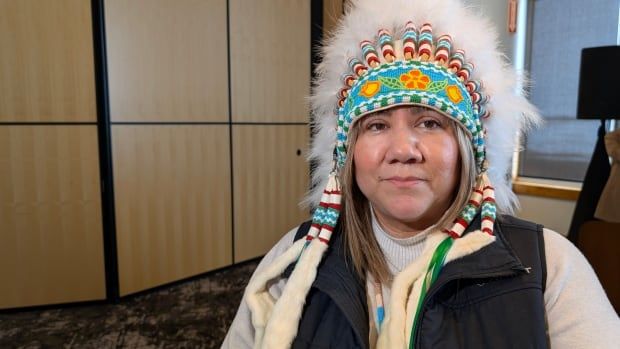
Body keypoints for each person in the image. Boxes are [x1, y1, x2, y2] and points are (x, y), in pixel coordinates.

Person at [222, 0, 620, 347]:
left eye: (430, 122)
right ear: (348, 152)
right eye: (376, 125)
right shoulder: (292, 260)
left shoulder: (548, 267)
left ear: (469, 149)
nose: (401, 151)